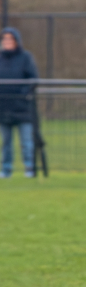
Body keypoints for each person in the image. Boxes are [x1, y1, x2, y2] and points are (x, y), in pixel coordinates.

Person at [0, 28, 39, 179]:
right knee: (6, 142)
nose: (7, 42)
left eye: (10, 39)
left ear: (16, 41)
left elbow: (33, 78)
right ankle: (6, 169)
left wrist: (24, 93)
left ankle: (30, 168)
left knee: (26, 142)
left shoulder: (26, 57)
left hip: (22, 108)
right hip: (3, 107)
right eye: (5, 39)